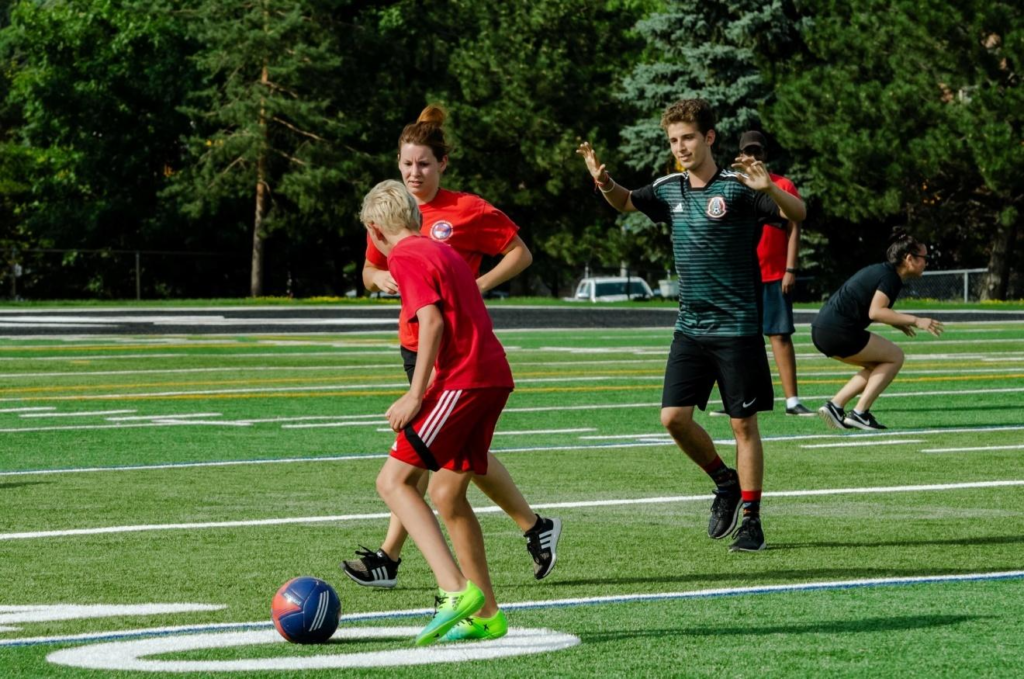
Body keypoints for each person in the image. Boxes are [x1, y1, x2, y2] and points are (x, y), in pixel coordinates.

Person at [344, 106, 561, 588]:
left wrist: (474, 285)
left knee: (416, 464)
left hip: (454, 360)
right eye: (406, 164)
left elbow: (518, 254)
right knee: (445, 467)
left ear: (443, 163)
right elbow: (372, 271)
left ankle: (416, 570)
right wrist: (380, 277)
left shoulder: (463, 212)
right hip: (421, 348)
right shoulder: (390, 215)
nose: (413, 173)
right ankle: (518, 546)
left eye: (423, 164)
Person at [577, 99, 806, 552]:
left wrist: (772, 190)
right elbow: (625, 202)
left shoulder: (740, 188)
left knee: (744, 426)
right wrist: (604, 184)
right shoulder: (668, 188)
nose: (680, 147)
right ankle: (724, 481)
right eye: (674, 140)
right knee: (673, 418)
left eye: (688, 138)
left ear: (709, 138)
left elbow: (798, 215)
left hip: (737, 327)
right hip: (690, 327)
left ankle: (753, 520)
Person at [362, 179, 513, 644]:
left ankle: (454, 591)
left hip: (464, 381)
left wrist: (415, 393)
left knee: (392, 481)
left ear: (375, 228)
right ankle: (487, 614)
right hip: (490, 378)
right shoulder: (439, 249)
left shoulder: (404, 256)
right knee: (447, 494)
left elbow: (430, 320)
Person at [813, 228, 944, 431]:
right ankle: (860, 413)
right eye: (924, 258)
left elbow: (869, 305)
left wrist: (896, 322)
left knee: (879, 364)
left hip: (823, 330)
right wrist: (916, 320)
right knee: (895, 357)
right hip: (838, 331)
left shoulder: (884, 272)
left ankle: (836, 406)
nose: (926, 262)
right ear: (909, 258)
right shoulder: (890, 277)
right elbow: (876, 311)